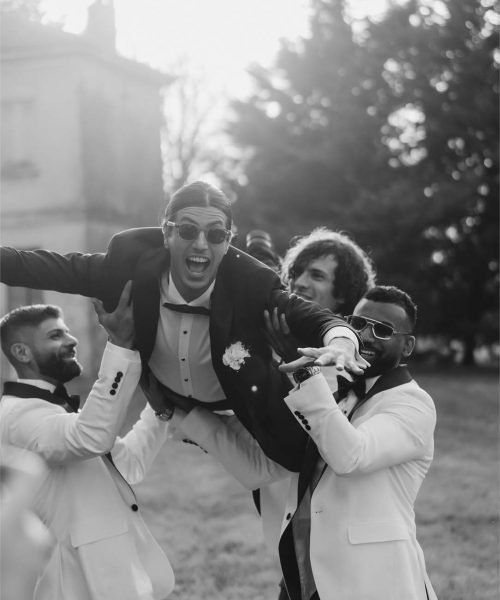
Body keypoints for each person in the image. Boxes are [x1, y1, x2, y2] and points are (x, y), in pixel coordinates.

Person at [0, 181, 367, 471]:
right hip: (172, 399)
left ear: (228, 240)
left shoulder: (252, 284)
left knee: (282, 468)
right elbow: (40, 265)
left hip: (236, 398)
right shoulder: (127, 268)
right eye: (188, 230)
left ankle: (262, 254)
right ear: (167, 233)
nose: (201, 244)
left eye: (216, 234)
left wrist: (342, 342)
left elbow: (317, 318)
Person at [167, 285, 438, 600]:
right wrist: (186, 411)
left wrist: (308, 374)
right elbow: (274, 449)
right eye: (358, 323)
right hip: (305, 573)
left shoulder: (414, 404)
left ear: (407, 346)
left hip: (371, 581)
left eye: (382, 330)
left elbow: (351, 455)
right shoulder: (337, 389)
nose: (364, 336)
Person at [0, 283, 175, 600]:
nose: (72, 340)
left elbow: (130, 463)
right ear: (21, 352)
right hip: (72, 585)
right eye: (56, 336)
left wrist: (161, 410)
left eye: (66, 332)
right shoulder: (16, 416)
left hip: (116, 577)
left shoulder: (59, 411)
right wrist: (121, 345)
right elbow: (91, 436)